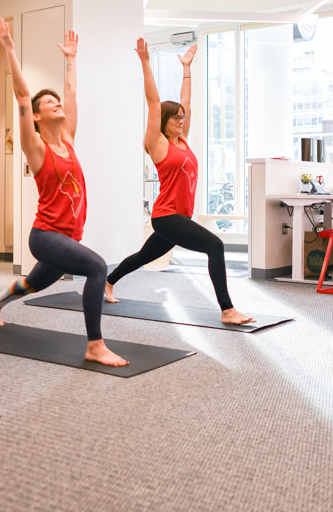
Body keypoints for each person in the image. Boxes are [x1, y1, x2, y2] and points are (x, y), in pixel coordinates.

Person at [0, 19, 127, 367]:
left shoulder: (69, 141)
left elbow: (72, 94)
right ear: (35, 116)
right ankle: (95, 345)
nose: (56, 104)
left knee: (34, 284)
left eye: (56, 100)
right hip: (46, 235)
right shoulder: (35, 148)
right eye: (48, 103)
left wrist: (71, 59)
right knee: (96, 267)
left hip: (66, 236)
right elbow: (21, 94)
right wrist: (8, 45)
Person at [105, 39, 255, 326]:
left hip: (178, 216)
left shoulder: (182, 140)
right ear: (164, 121)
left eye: (182, 118)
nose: (181, 120)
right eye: (175, 118)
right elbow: (152, 101)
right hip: (166, 216)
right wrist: (145, 62)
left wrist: (187, 70)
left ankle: (108, 281)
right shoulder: (157, 143)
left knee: (142, 256)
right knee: (215, 245)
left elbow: (185, 102)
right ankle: (227, 309)